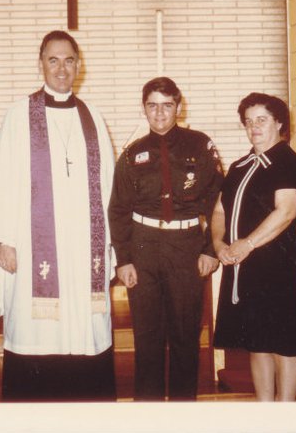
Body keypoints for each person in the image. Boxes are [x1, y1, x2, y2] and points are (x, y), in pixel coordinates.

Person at [0, 30, 117, 401]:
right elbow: (2, 180)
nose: (61, 68)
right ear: (40, 63)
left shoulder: (93, 117)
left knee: (85, 329)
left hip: (84, 249)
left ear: (78, 65)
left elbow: (108, 185)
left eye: (69, 60)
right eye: (53, 60)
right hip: (31, 245)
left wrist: (110, 244)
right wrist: (4, 240)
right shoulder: (19, 115)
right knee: (36, 329)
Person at [108, 77, 223, 400]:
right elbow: (118, 209)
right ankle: (149, 412)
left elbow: (217, 201)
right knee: (147, 338)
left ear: (179, 107)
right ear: (144, 108)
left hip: (186, 246)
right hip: (143, 247)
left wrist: (210, 249)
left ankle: (183, 412)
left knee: (186, 336)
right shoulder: (132, 154)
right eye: (152, 105)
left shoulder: (200, 145)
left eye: (167, 105)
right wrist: (124, 260)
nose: (159, 113)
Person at [211, 93, 296, 401]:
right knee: (258, 343)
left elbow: (286, 211)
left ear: (279, 123)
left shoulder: (287, 161)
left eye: (262, 120)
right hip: (243, 265)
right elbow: (219, 211)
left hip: (276, 265)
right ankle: (265, 410)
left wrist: (247, 244)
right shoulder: (240, 166)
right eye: (249, 121)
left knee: (282, 344)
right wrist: (218, 243)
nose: (254, 127)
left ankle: (284, 412)